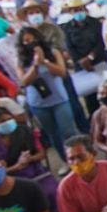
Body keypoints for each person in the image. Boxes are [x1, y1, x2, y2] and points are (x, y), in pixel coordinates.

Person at [16, 26, 78, 162]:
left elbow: (62, 72)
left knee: (69, 132)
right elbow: (24, 82)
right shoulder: (21, 61)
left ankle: (79, 158)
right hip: (38, 104)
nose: (31, 43)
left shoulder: (54, 52)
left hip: (59, 100)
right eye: (26, 41)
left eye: (33, 39)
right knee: (53, 135)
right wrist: (35, 65)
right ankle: (66, 161)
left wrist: (44, 61)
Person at [0, 106, 59, 206]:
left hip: (34, 169)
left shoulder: (25, 131)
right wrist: (17, 166)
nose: (7, 122)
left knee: (51, 192)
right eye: (2, 121)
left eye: (9, 119)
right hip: (9, 178)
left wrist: (29, 159)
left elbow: (41, 154)